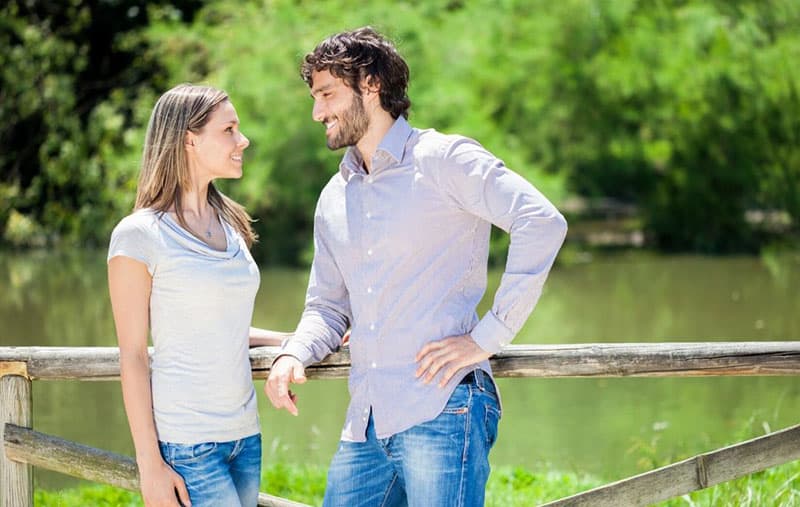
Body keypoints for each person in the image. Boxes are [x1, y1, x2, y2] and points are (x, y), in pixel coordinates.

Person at [265, 27, 568, 506]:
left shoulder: (444, 159)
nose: (317, 112)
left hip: (443, 409)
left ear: (370, 83)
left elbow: (542, 221)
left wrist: (487, 338)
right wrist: (293, 354)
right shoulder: (334, 197)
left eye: (326, 94)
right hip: (365, 422)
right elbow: (327, 307)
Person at [107, 84, 288, 507]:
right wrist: (151, 466)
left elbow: (222, 328)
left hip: (245, 437)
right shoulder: (139, 235)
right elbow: (133, 355)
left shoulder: (231, 225)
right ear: (190, 140)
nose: (242, 140)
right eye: (229, 129)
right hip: (188, 445)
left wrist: (295, 341)